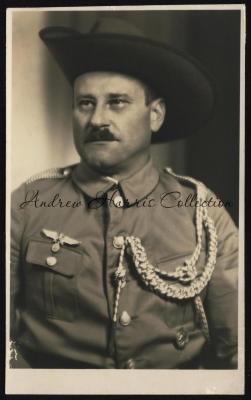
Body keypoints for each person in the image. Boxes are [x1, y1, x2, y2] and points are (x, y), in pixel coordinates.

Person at [10, 17, 238, 369]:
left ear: (156, 115)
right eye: (85, 103)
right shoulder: (27, 206)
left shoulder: (201, 212)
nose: (97, 119)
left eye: (116, 102)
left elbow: (238, 351)